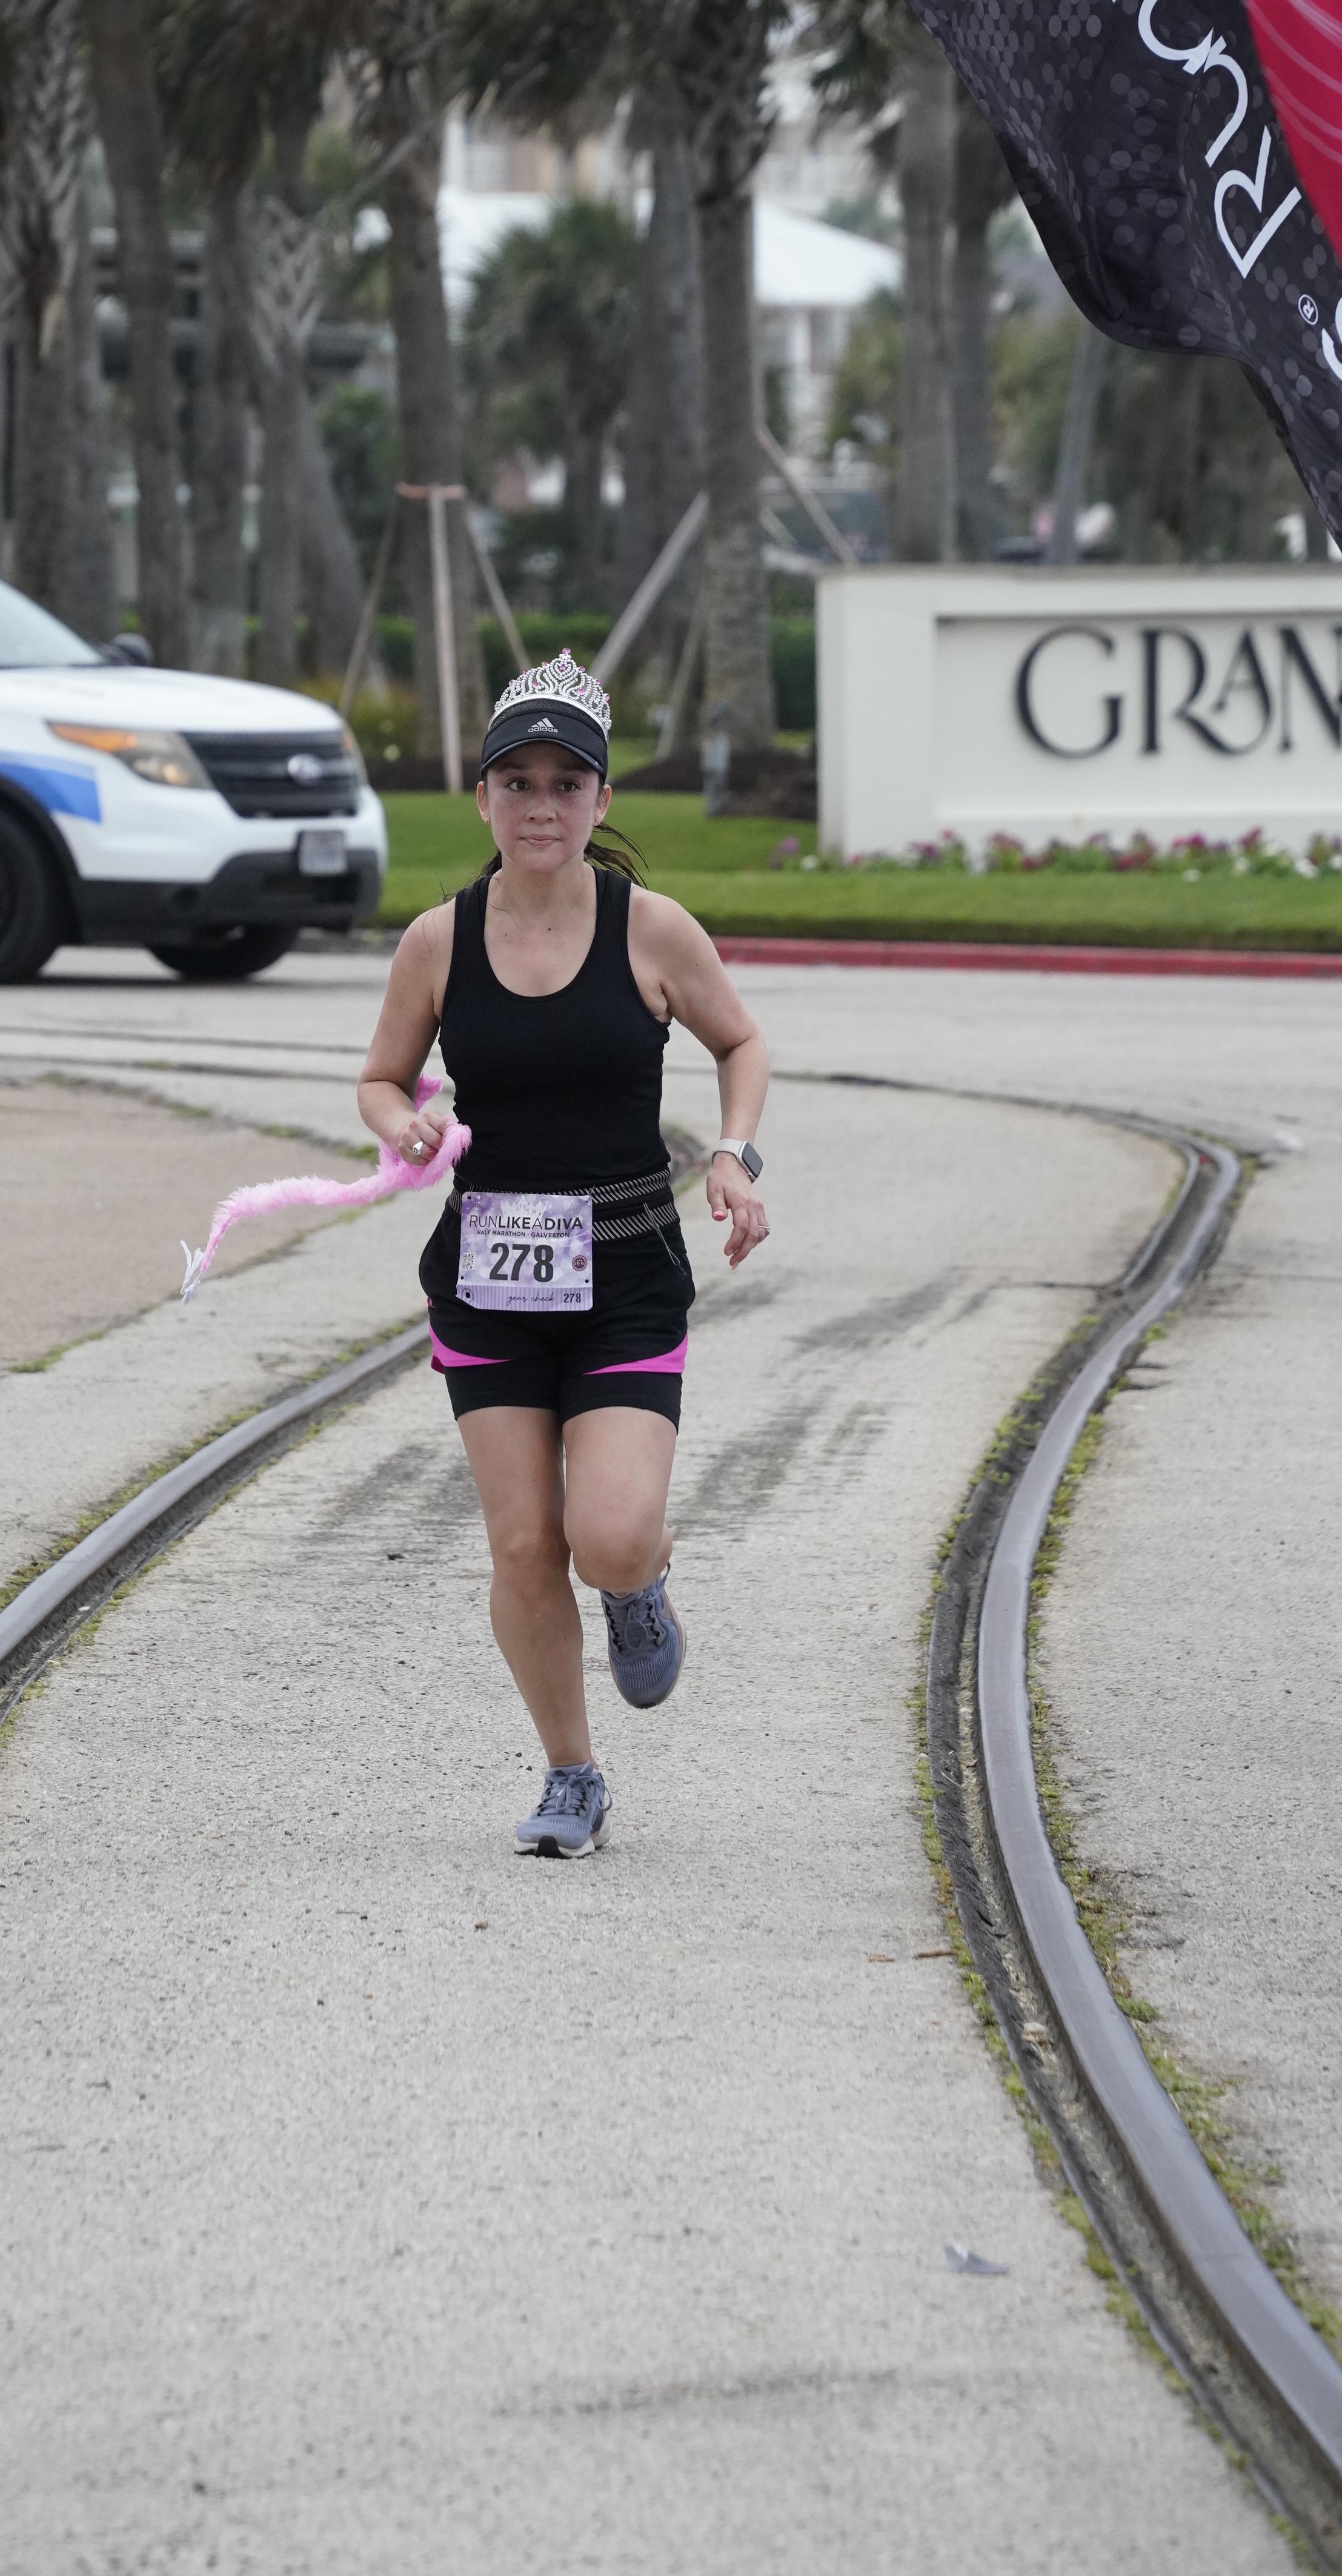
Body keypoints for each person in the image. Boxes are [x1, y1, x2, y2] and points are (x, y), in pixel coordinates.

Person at [356, 651, 771, 1861]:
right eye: (516, 782)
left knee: (608, 1533)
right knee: (524, 1542)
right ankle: (570, 1773)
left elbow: (739, 1043)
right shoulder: (437, 940)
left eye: (565, 783)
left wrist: (733, 1155)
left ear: (599, 800)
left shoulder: (651, 929)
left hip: (626, 1274)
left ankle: (636, 1584)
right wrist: (400, 1123)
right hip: (487, 1279)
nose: (539, 806)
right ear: (483, 796)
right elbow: (379, 1076)